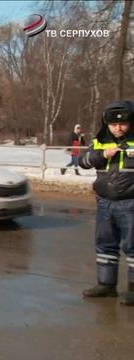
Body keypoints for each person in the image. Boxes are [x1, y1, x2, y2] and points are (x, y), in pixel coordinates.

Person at [79, 100, 134, 306]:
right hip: (105, 202)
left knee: (132, 247)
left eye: (123, 124)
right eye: (113, 125)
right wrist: (102, 155)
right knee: (105, 245)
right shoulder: (100, 141)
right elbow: (82, 162)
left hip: (130, 202)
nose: (118, 128)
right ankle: (106, 285)